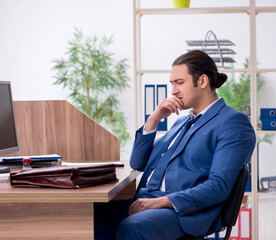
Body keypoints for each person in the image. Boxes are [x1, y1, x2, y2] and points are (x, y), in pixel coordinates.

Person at [94, 50, 256, 240]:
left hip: (183, 211)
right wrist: (153, 121)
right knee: (87, 214)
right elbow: (138, 164)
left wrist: (162, 202)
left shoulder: (232, 123)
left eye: (179, 83)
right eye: (172, 84)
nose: (173, 91)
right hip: (146, 199)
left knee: (134, 227)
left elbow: (218, 186)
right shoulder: (181, 122)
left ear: (202, 81)